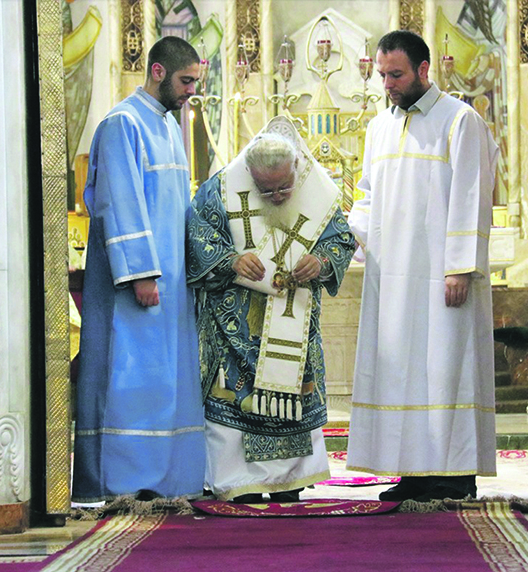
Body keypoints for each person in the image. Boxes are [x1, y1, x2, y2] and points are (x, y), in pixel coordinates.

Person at [346, 30, 499, 502]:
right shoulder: (379, 127)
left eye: (396, 74)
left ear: (424, 70)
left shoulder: (460, 120)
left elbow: (473, 194)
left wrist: (459, 266)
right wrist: (354, 242)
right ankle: (410, 472)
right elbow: (368, 195)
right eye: (382, 76)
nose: (387, 84)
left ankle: (453, 477)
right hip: (392, 277)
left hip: (440, 276)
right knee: (399, 370)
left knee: (445, 367)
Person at [187, 117, 355, 503]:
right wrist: (230, 261)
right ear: (249, 173)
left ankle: (292, 479)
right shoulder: (221, 189)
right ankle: (237, 481)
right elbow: (198, 237)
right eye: (267, 190)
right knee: (235, 395)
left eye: (284, 187)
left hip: (293, 318)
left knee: (292, 391)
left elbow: (340, 240)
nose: (278, 196)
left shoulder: (319, 192)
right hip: (235, 325)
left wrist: (322, 261)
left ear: (297, 168)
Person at [72, 36, 205, 504]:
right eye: (186, 81)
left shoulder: (169, 125)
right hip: (135, 285)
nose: (192, 91)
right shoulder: (121, 124)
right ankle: (122, 481)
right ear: (157, 72)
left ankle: (170, 479)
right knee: (131, 377)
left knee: (167, 377)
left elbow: (180, 204)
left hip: (171, 281)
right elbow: (117, 203)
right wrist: (142, 273)